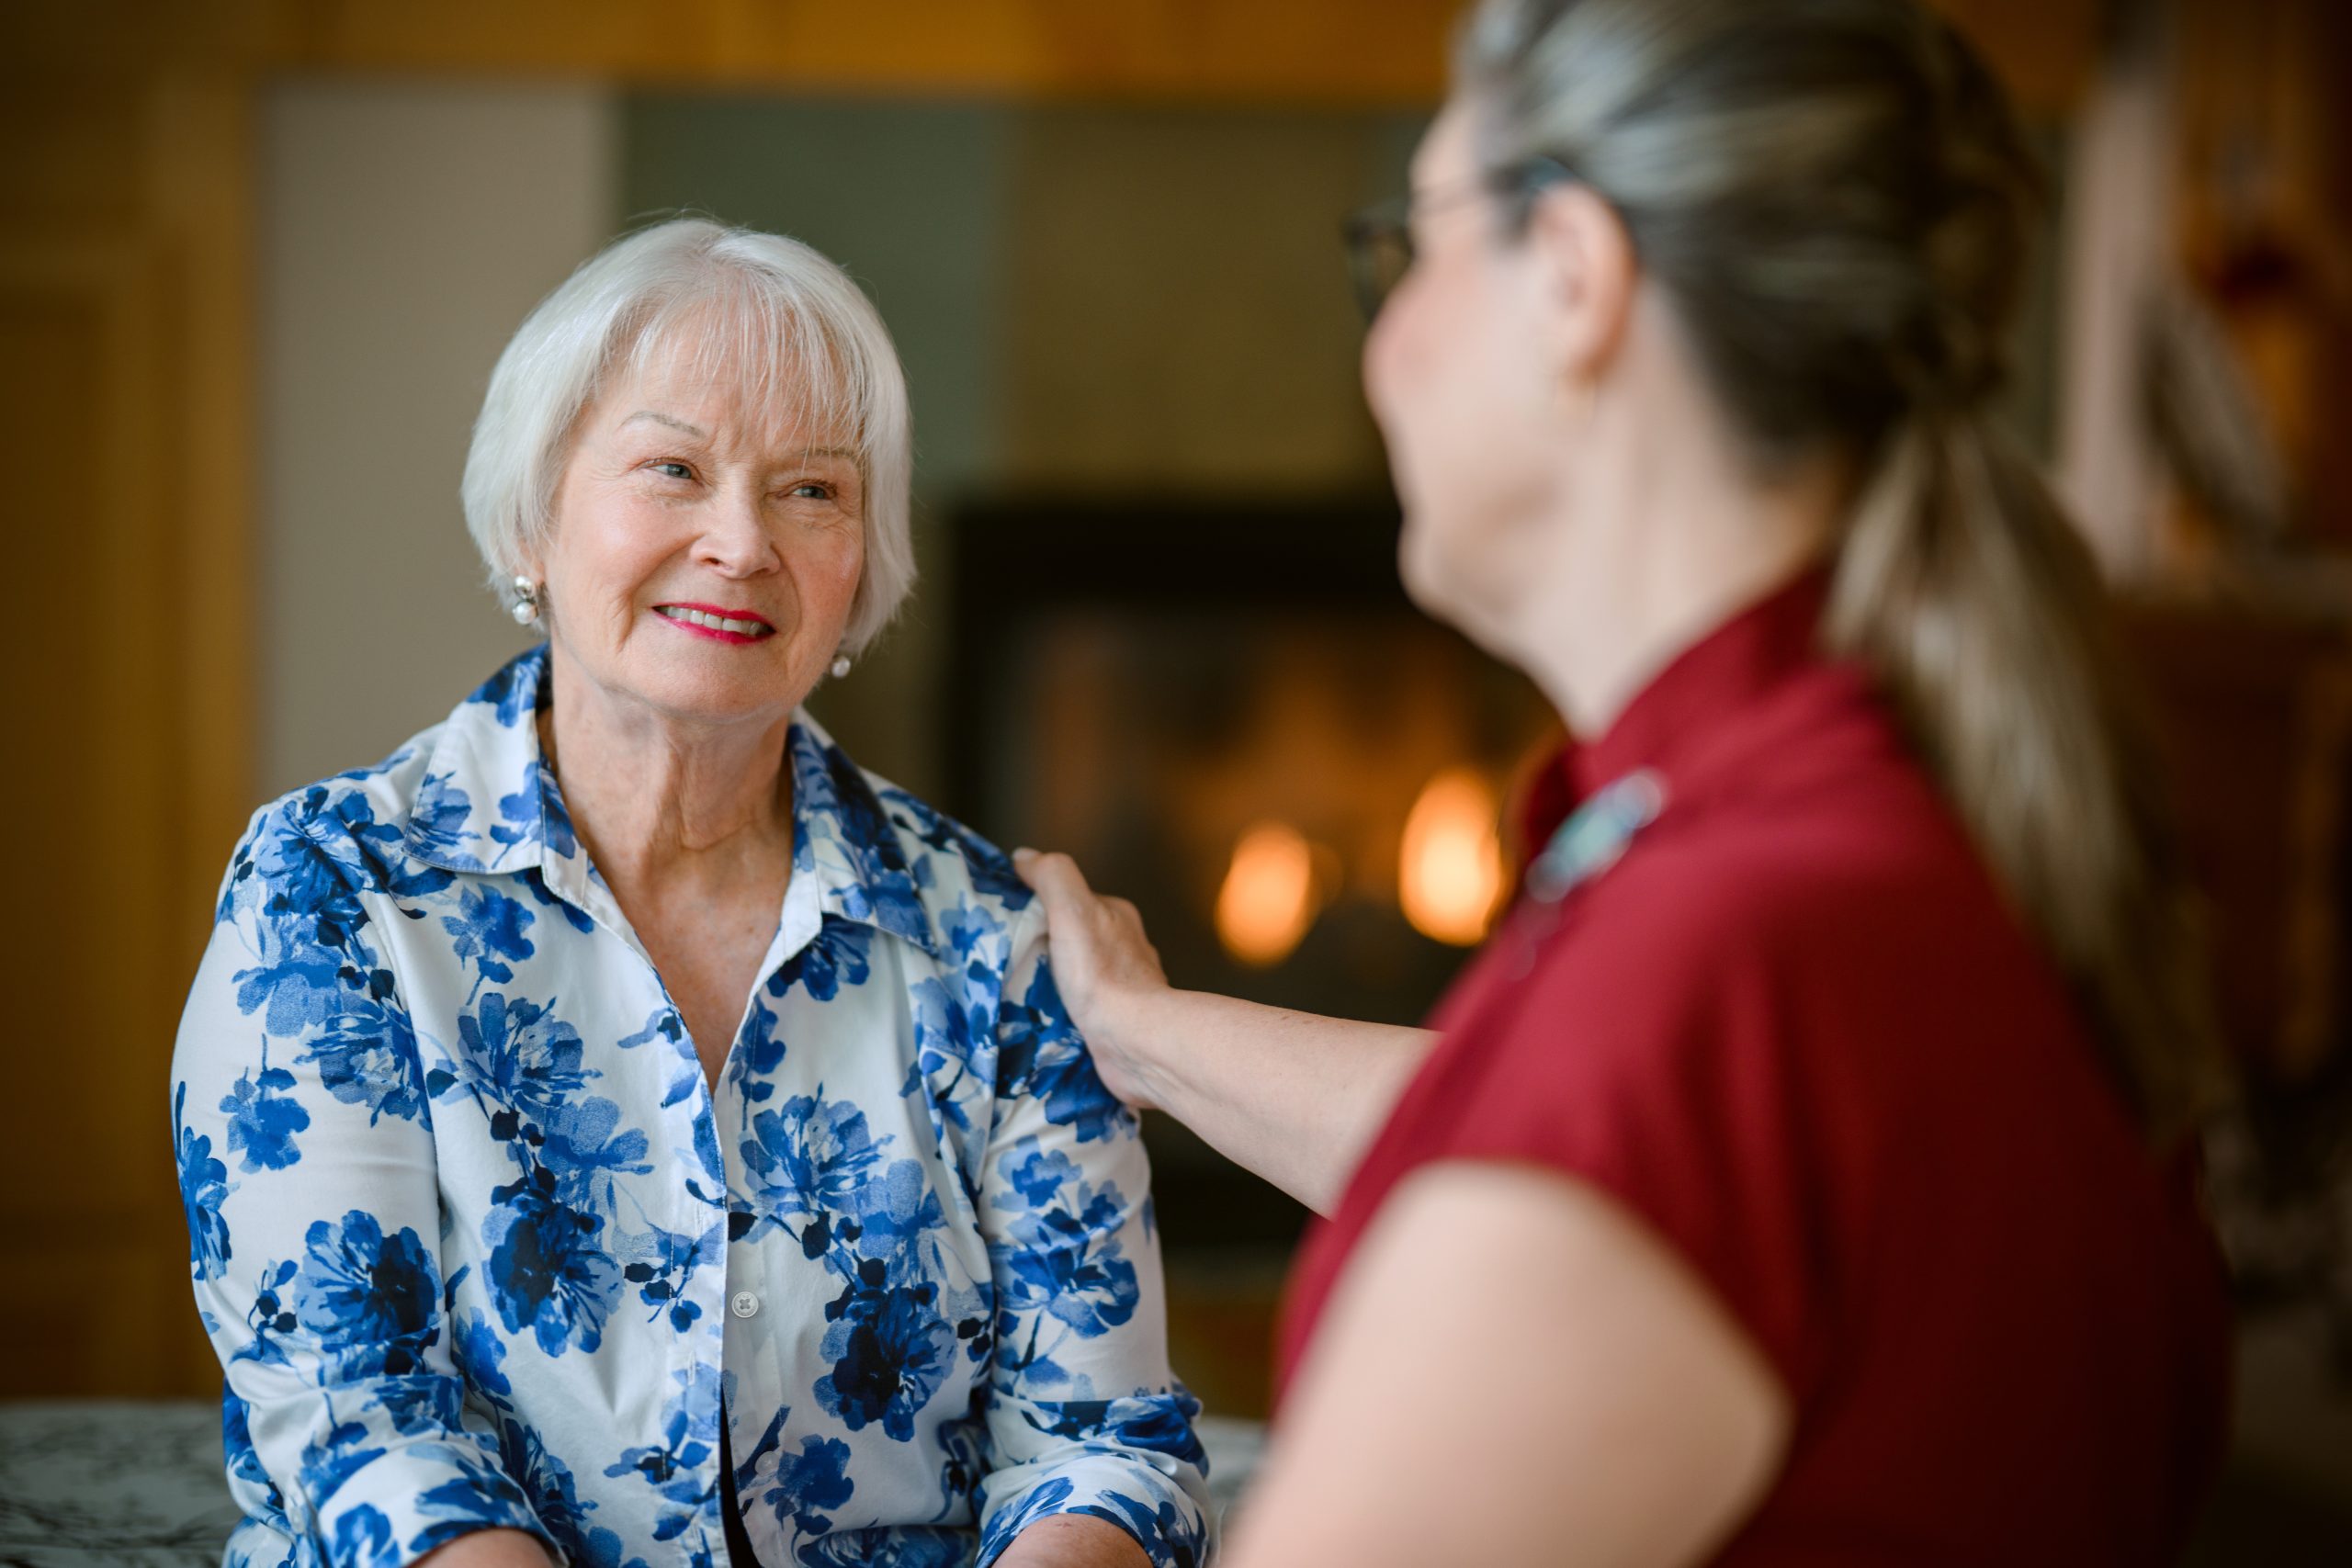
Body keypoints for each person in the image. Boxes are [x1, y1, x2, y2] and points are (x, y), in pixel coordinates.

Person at [1014, 1, 2233, 1562]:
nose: (1381, 350)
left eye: (1412, 249)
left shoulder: (1715, 968)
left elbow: (1623, 1127)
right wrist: (1147, 1040)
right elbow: (1577, 1151)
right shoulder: (1908, 827)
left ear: (1577, 279)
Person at [171, 220, 1209, 1568]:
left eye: (812, 492)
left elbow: (1103, 1442)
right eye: (672, 468)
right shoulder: (333, 892)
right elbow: (364, 1432)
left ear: (861, 569)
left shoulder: (991, 940)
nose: (739, 543)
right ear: (538, 515)